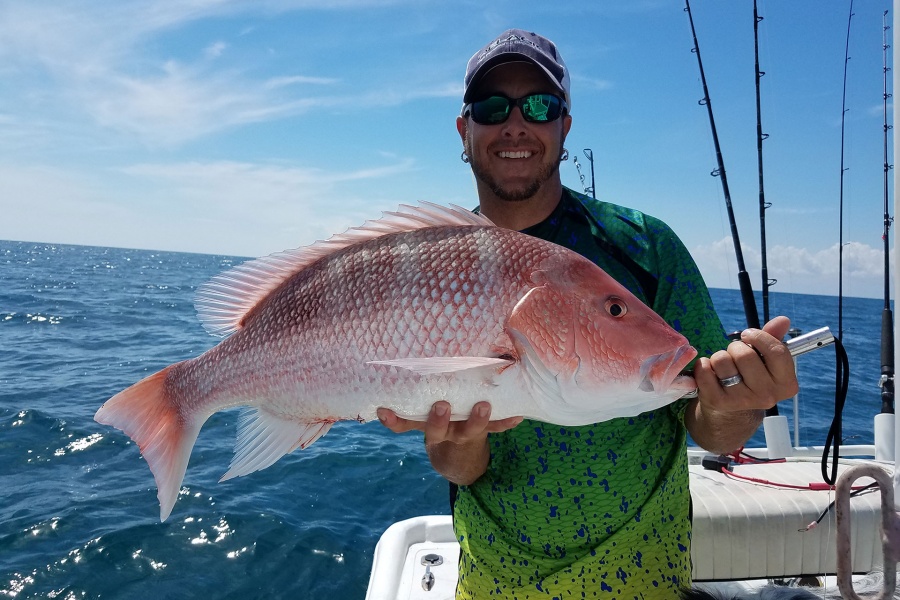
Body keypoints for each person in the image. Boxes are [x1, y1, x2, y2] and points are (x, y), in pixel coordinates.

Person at [378, 29, 798, 599]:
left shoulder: (646, 248)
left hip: (644, 575)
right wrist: (456, 447)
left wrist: (741, 404)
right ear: (465, 129)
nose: (516, 124)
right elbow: (462, 470)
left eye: (541, 106)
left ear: (564, 126)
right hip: (495, 582)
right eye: (492, 106)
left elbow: (707, 423)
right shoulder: (430, 263)